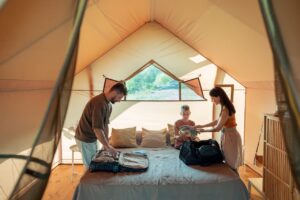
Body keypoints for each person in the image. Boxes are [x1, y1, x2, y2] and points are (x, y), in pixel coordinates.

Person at [75, 82, 127, 168]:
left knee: (95, 162)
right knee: (91, 166)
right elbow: (97, 129)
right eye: (120, 97)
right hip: (85, 138)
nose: (119, 100)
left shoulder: (108, 105)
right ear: (115, 92)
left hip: (93, 138)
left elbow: (105, 125)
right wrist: (108, 147)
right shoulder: (99, 103)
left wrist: (106, 144)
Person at [195, 87, 242, 171]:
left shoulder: (225, 109)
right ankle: (232, 180)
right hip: (229, 135)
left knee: (231, 162)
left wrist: (203, 131)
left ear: (219, 96)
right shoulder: (225, 106)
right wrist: (201, 126)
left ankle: (233, 181)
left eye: (213, 98)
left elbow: (217, 128)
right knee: (229, 161)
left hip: (230, 137)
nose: (212, 101)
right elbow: (217, 121)